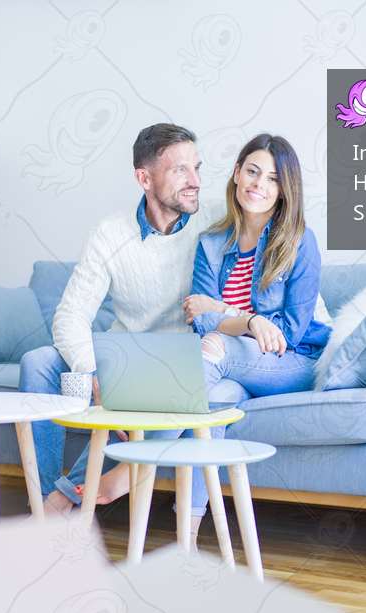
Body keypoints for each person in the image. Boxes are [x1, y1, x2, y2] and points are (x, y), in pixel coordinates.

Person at [18, 123, 243, 543]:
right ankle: (46, 501)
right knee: (38, 362)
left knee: (193, 380)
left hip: (184, 359)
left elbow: (265, 269)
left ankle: (65, 501)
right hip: (123, 356)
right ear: (144, 178)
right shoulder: (110, 233)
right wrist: (95, 373)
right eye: (180, 171)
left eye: (197, 167)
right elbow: (69, 318)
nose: (195, 180)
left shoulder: (216, 220)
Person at [182, 133, 330, 399]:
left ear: (283, 189)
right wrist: (251, 321)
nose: (259, 184)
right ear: (237, 173)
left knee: (215, 344)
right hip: (234, 363)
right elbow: (202, 323)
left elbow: (288, 334)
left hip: (292, 361)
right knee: (217, 397)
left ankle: (137, 440)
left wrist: (220, 309)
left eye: (273, 179)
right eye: (253, 171)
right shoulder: (210, 245)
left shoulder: (299, 241)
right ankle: (143, 440)